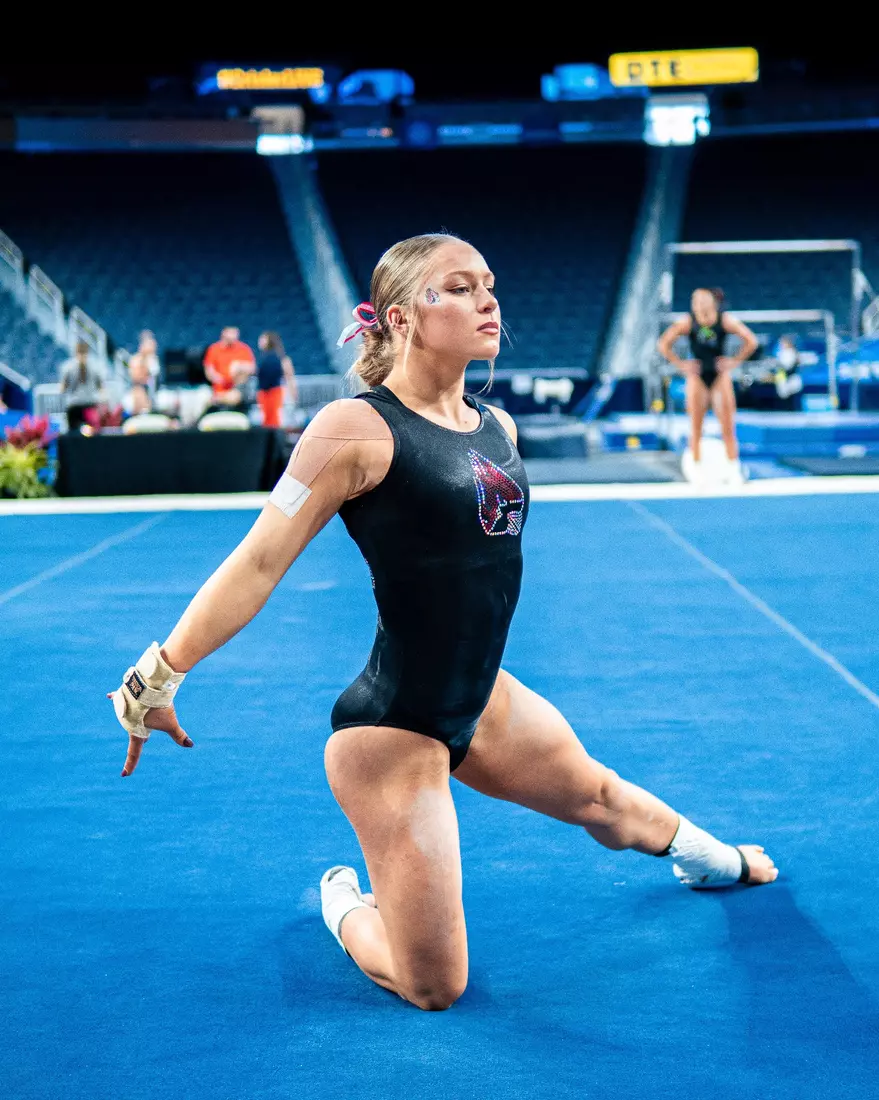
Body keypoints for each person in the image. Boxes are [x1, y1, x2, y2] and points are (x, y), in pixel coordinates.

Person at [110, 235, 777, 1012]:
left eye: (488, 284)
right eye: (458, 288)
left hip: (481, 698)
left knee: (605, 801)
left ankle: (715, 859)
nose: (487, 300)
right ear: (402, 317)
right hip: (392, 731)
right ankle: (342, 903)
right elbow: (256, 563)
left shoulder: (498, 427)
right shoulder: (351, 429)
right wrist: (157, 672)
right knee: (434, 986)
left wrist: (724, 858)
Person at [657, 288, 759, 485]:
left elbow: (751, 341)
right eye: (695, 300)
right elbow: (663, 344)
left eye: (703, 300)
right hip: (697, 376)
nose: (699, 304)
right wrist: (681, 365)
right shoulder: (687, 322)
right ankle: (696, 469)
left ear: (713, 303)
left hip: (719, 376)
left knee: (728, 427)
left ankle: (733, 468)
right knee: (695, 426)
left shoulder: (725, 320)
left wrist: (734, 361)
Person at [202, 326, 256, 409]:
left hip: (238, 389)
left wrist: (240, 366)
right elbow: (209, 370)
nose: (234, 336)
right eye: (231, 333)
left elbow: (252, 368)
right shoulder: (214, 349)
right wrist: (218, 378)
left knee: (235, 396)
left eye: (235, 333)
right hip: (218, 389)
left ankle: (219, 399)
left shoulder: (243, 349)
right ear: (224, 333)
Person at [59, 340, 107, 432]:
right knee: (92, 433)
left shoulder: (68, 367)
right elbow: (101, 387)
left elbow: (63, 388)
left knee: (74, 433)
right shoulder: (95, 367)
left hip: (78, 405)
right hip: (88, 405)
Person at [256, 331, 298, 428]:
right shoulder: (262, 359)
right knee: (266, 420)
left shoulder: (282, 359)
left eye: (263, 339)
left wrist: (293, 395)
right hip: (263, 393)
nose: (260, 341)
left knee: (276, 420)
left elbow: (290, 378)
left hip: (275, 392)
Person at [125, 330, 161, 415]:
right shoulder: (135, 360)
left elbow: (155, 379)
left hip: (152, 393)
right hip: (139, 394)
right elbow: (137, 378)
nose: (153, 348)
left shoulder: (154, 360)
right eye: (150, 345)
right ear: (142, 345)